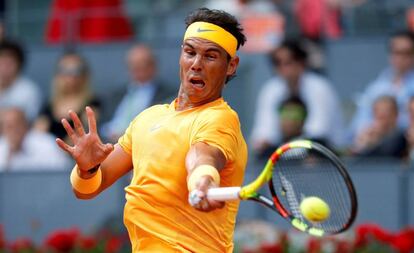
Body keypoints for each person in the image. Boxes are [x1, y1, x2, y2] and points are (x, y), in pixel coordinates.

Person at [56, 8, 248, 252]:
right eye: (190, 52)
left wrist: (203, 181)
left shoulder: (220, 119)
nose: (196, 64)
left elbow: (202, 156)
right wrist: (87, 168)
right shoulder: (147, 118)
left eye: (210, 56)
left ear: (231, 65)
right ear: (181, 55)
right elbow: (88, 188)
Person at [250, 38, 345, 155]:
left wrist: (282, 153)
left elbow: (318, 134)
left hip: (327, 156)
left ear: (301, 63)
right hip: (289, 156)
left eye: (288, 63)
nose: (282, 68)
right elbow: (263, 136)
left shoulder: (320, 88)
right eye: (277, 63)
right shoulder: (270, 90)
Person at [101, 44, 175, 143]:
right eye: (133, 64)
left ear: (153, 66)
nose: (137, 68)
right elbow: (101, 123)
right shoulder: (115, 95)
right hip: (109, 143)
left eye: (142, 64)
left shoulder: (168, 96)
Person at [350, 31, 414, 138]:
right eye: (396, 52)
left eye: (407, 52)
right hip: (379, 147)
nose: (401, 58)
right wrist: (369, 131)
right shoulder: (376, 88)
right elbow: (358, 124)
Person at [34, 52, 101, 142]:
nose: (71, 76)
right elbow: (37, 136)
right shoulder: (49, 105)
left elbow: (87, 135)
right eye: (65, 70)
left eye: (77, 70)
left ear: (85, 74)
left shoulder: (92, 104)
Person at [0, 106, 70, 171]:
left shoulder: (46, 144)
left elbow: (62, 171)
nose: (13, 131)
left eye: (17, 125)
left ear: (25, 125)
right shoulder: (2, 148)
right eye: (8, 127)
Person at [0, 40, 41, 122]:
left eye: (10, 62)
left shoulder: (29, 90)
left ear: (19, 64)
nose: (5, 66)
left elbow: (25, 122)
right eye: (2, 61)